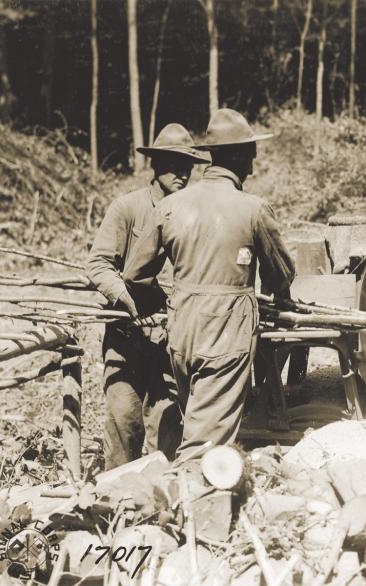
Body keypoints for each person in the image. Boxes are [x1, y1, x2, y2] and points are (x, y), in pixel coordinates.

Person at [123, 109, 295, 457]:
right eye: (251, 152)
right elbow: (281, 274)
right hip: (226, 333)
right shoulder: (253, 209)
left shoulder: (170, 206)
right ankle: (191, 503)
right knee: (205, 447)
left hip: (182, 333)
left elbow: (135, 274)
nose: (253, 162)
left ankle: (182, 494)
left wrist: (180, 297)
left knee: (197, 421)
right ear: (239, 156)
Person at [86, 123, 210, 469]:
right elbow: (98, 264)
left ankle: (161, 508)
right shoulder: (127, 208)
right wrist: (124, 298)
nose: (182, 173)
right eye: (173, 163)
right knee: (125, 422)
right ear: (155, 166)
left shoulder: (194, 213)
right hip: (127, 338)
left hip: (172, 341)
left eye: (188, 165)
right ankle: (118, 506)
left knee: (168, 424)